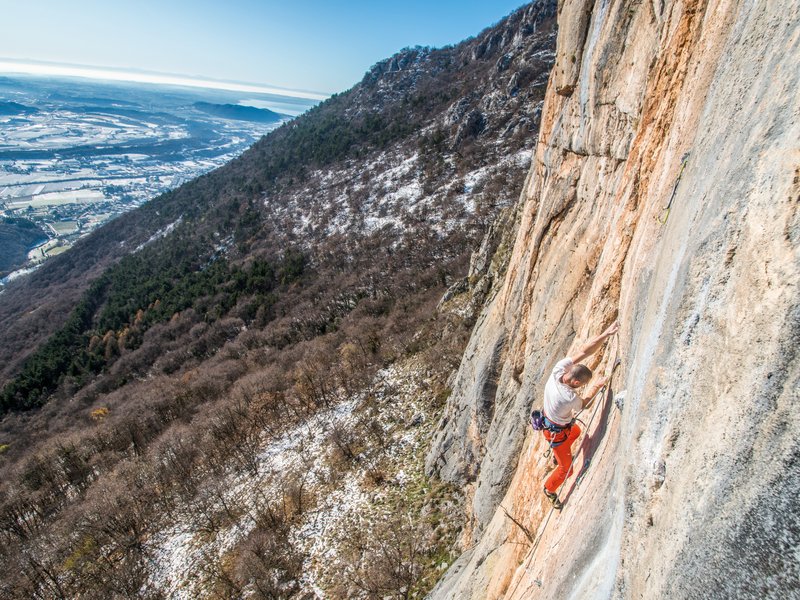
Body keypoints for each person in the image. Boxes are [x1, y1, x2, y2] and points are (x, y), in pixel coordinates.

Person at [541, 321, 619, 509]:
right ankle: (549, 489)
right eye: (582, 385)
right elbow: (584, 405)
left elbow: (584, 351)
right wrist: (597, 386)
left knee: (576, 432)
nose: (582, 387)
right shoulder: (568, 397)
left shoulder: (558, 370)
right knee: (566, 470)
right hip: (556, 434)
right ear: (576, 383)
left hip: (553, 423)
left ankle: (558, 455)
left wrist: (606, 334)